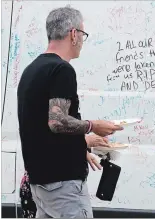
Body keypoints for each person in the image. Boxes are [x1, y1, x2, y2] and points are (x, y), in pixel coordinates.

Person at [17, 6, 123, 218]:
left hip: (41, 184)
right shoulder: (62, 70)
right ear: (73, 34)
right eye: (83, 34)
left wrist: (82, 145)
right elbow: (57, 122)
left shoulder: (31, 70)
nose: (83, 40)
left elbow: (41, 130)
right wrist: (95, 126)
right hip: (63, 186)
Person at [20, 134, 108, 218]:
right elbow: (40, 143)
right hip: (53, 184)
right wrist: (84, 141)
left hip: (41, 183)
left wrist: (82, 149)